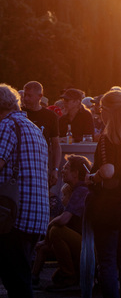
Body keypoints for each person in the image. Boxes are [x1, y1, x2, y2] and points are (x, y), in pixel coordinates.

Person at [87, 88, 121, 298]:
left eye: (101, 109)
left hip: (110, 204)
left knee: (107, 261)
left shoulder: (107, 137)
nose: (99, 113)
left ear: (109, 111)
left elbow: (108, 171)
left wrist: (92, 177)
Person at [0, 83, 50, 298]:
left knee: (16, 280)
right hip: (36, 214)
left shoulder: (7, 126)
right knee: (21, 276)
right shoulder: (34, 129)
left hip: (13, 215)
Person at [36, 153, 91, 291]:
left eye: (66, 168)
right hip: (83, 245)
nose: (62, 170)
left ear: (75, 173)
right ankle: (33, 277)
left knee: (56, 231)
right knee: (55, 276)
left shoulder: (81, 190)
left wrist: (47, 233)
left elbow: (63, 219)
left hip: (88, 247)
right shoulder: (75, 190)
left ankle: (69, 276)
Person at [22, 80, 61, 188]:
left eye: (30, 96)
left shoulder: (50, 116)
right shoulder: (19, 113)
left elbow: (56, 145)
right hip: (22, 166)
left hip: (41, 166)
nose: (26, 99)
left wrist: (55, 169)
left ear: (40, 96)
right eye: (25, 95)